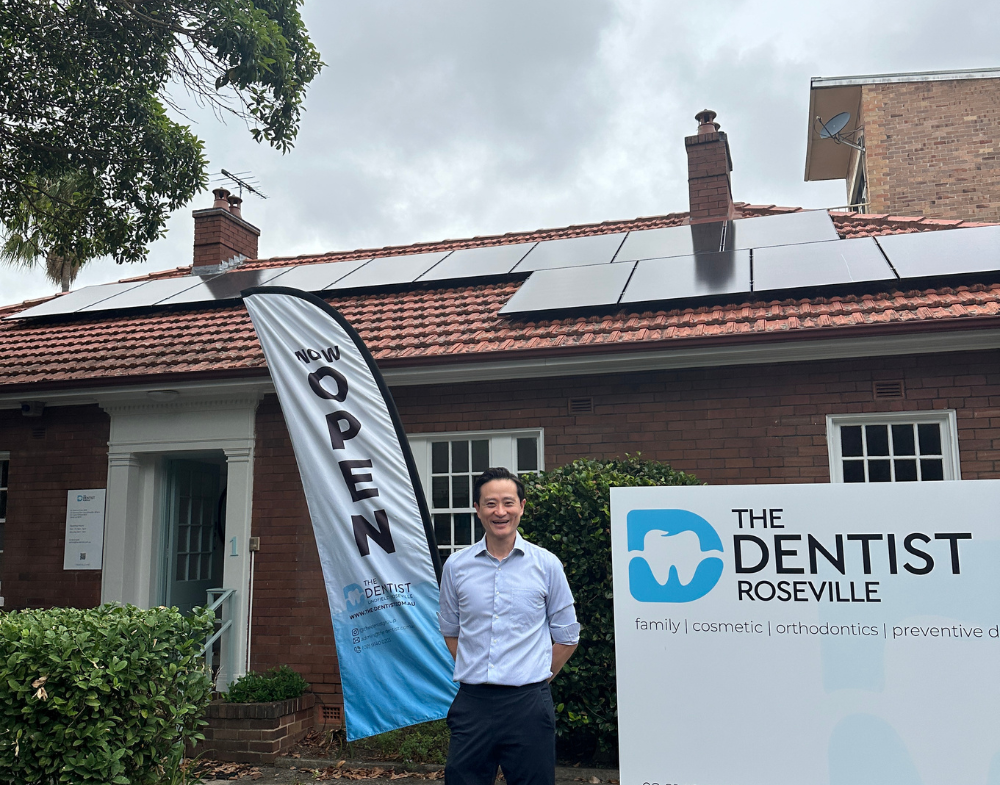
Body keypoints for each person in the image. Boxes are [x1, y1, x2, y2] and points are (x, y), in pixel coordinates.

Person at [437, 466, 580, 785]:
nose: (499, 512)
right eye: (490, 503)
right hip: (473, 704)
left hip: (528, 704)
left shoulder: (547, 565)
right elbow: (451, 630)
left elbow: (568, 636)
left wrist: (537, 673)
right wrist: (478, 664)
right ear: (476, 508)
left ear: (522, 506)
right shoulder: (456, 567)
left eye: (508, 502)